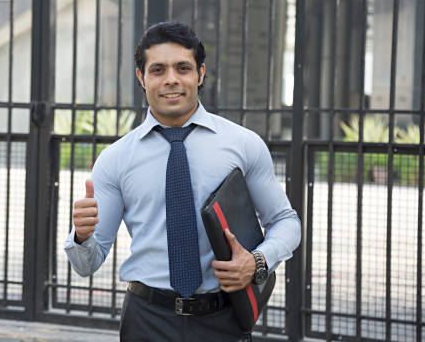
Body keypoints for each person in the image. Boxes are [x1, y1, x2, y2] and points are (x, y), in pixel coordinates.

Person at [64, 21, 301, 342]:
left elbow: (286, 222)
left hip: (225, 318)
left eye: (183, 68)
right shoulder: (116, 159)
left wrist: (258, 262)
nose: (171, 79)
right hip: (146, 320)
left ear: (200, 74)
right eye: (158, 69)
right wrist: (81, 236)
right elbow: (86, 264)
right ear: (141, 77)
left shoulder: (243, 144)